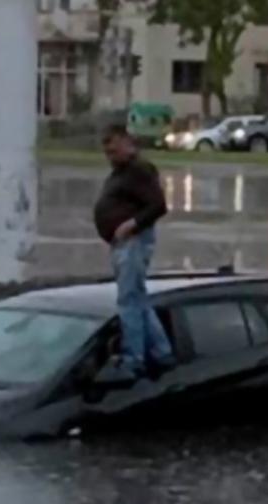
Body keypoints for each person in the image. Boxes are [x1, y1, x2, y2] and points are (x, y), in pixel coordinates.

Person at [93, 125, 176, 380]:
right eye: (107, 153)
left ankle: (133, 358)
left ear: (128, 143)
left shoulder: (139, 170)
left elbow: (158, 206)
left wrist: (132, 225)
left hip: (133, 242)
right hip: (123, 244)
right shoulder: (121, 173)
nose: (111, 156)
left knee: (128, 300)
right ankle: (161, 352)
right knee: (138, 299)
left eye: (114, 150)